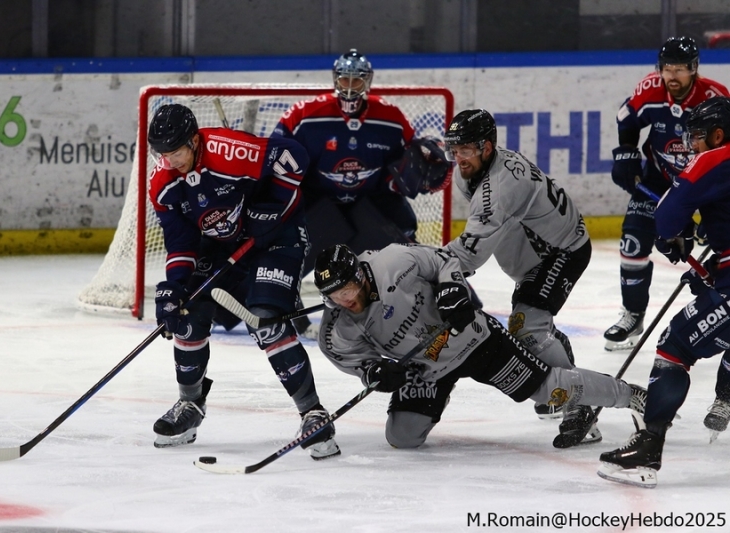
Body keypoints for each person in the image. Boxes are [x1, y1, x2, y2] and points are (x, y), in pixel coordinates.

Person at [145, 103, 340, 460]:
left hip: (278, 237)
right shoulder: (163, 185)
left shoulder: (229, 150)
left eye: (176, 152)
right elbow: (180, 242)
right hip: (224, 246)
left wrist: (274, 207)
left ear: (194, 140)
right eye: (163, 154)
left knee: (265, 318)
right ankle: (190, 405)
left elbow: (294, 156)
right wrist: (174, 286)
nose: (170, 161)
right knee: (187, 313)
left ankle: (312, 412)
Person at [313, 243, 646, 450]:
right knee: (402, 438)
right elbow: (356, 361)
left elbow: (443, 262)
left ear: (360, 274)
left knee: (550, 391)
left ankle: (630, 394)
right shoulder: (336, 329)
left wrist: (452, 291)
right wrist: (375, 372)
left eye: (347, 288)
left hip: (474, 340)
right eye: (334, 295)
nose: (343, 299)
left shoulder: (395, 261)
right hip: (424, 371)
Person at [598, 96, 730, 488]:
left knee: (676, 346)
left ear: (719, 134)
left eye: (699, 137)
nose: (693, 146)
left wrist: (676, 235)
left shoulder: (715, 158)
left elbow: (667, 215)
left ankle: (647, 447)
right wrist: (714, 271)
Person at [271, 49, 451, 336]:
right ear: (335, 79)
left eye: (357, 81)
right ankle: (278, 302)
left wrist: (425, 174)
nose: (350, 87)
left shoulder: (390, 117)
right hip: (320, 201)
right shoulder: (304, 114)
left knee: (406, 242)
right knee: (289, 246)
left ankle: (435, 301)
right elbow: (275, 153)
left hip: (371, 200)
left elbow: (407, 167)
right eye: (345, 79)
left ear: (368, 82)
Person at [441, 108, 594, 433]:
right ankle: (554, 347)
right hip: (534, 256)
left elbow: (470, 256)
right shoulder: (473, 172)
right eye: (454, 150)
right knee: (531, 326)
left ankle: (580, 406)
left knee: (526, 329)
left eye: (465, 149)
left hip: (561, 252)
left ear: (486, 146)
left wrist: (428, 266)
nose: (459, 158)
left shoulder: (500, 185)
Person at [603, 36, 729, 351]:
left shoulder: (715, 98)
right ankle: (633, 314)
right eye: (666, 69)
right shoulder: (650, 91)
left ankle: (717, 310)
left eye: (680, 70)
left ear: (694, 69)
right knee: (632, 240)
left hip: (708, 184)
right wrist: (626, 152)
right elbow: (626, 118)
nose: (671, 77)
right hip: (660, 179)